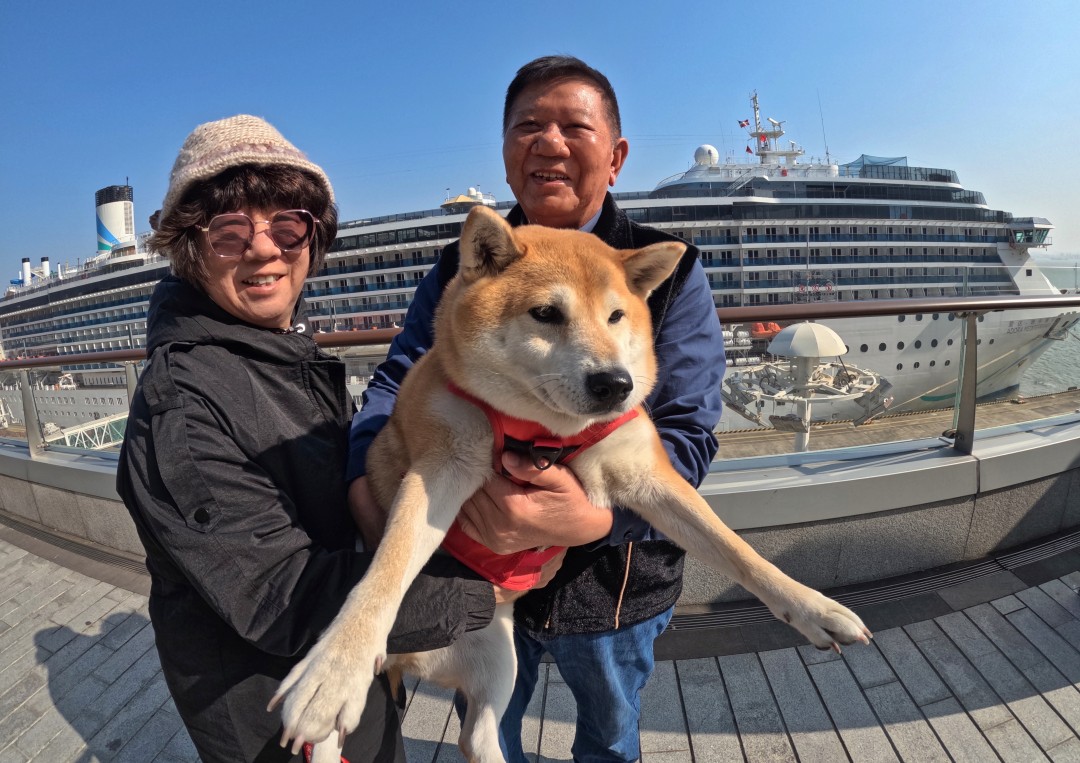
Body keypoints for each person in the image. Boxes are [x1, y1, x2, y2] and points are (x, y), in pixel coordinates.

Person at [115, 115, 557, 762]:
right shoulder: (181, 403)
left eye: (288, 226)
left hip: (344, 670)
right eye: (228, 233)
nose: (264, 250)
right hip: (271, 706)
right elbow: (277, 594)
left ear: (313, 236)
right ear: (189, 249)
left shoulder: (278, 353)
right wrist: (486, 585)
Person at [347, 57, 726, 762]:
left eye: (574, 127)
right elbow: (396, 382)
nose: (549, 142)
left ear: (615, 157)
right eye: (528, 126)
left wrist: (597, 520)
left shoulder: (663, 272)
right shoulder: (469, 265)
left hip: (613, 585)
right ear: (505, 151)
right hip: (473, 572)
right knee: (490, 737)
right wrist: (361, 484)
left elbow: (688, 433)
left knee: (610, 740)